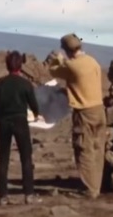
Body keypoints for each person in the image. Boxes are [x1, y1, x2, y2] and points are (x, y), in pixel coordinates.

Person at [45, 34, 107, 199]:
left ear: (66, 50)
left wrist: (56, 60)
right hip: (99, 109)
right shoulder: (92, 61)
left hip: (84, 112)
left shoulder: (72, 66)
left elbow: (54, 71)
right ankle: (96, 184)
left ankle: (90, 189)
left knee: (84, 149)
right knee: (97, 148)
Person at [0, 51, 44, 205]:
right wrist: (37, 114)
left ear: (7, 65)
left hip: (3, 122)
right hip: (20, 122)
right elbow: (34, 105)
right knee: (26, 158)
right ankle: (29, 194)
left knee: (3, 159)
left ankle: (2, 196)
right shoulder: (25, 84)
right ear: (20, 66)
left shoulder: (0, 83)